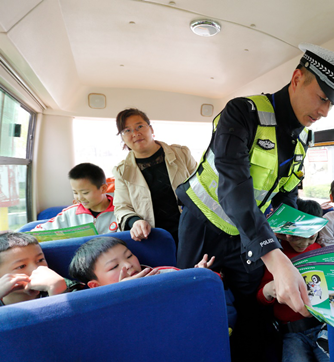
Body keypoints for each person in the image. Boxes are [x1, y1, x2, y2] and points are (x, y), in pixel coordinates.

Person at [175, 43, 334, 361]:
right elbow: (233, 186)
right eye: (322, 98)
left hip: (248, 236)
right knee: (190, 302)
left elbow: (287, 191)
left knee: (253, 312)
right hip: (203, 227)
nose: (324, 112)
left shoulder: (304, 137)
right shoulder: (243, 112)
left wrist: (300, 232)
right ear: (297, 78)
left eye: (331, 106)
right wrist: (273, 254)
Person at [68, 236, 236, 333]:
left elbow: (195, 298)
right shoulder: (95, 308)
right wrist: (122, 293)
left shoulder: (164, 274)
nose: (128, 265)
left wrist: (198, 276)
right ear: (95, 286)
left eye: (129, 256)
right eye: (114, 266)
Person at [257, 198, 328, 362]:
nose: (304, 243)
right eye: (298, 237)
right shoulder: (277, 257)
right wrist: (270, 289)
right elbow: (260, 297)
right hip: (292, 332)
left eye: (311, 237)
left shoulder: (319, 250)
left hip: (322, 325)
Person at [112, 108, 197, 243]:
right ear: (123, 137)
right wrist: (135, 222)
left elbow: (201, 186)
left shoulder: (181, 154)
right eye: (127, 130)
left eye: (139, 126)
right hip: (153, 236)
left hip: (192, 229)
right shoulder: (122, 171)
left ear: (151, 129)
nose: (135, 133)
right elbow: (122, 207)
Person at [0, 232, 84, 306]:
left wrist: (58, 291)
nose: (36, 269)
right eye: (21, 266)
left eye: (40, 260)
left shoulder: (70, 288)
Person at [31, 163, 118, 234]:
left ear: (103, 189)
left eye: (85, 193)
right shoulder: (70, 214)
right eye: (75, 193)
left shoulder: (121, 211)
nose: (79, 198)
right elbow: (39, 231)